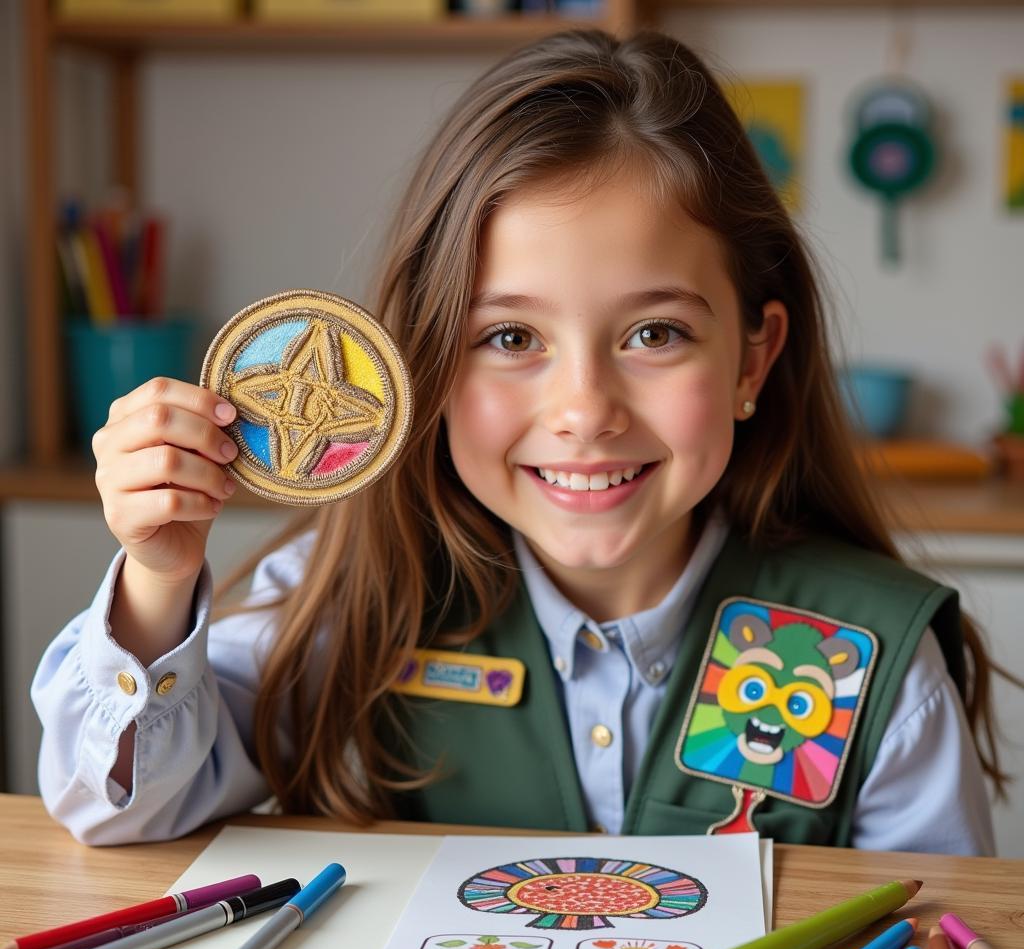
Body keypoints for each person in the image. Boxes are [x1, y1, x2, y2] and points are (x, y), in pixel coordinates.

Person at [32, 29, 1003, 854]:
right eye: (508, 338)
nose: (583, 409)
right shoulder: (359, 600)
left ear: (753, 359)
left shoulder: (875, 664)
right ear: (421, 371)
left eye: (653, 334)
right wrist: (156, 578)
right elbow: (121, 810)